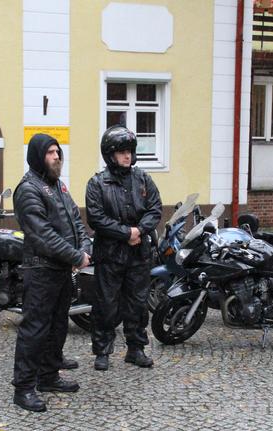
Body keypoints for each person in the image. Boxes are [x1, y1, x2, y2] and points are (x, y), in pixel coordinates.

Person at [11, 133, 91, 412]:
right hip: (41, 270)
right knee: (34, 330)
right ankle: (23, 388)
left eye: (58, 152)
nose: (57, 157)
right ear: (37, 156)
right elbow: (42, 235)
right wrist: (76, 256)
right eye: (50, 153)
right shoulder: (28, 189)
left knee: (58, 326)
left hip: (61, 270)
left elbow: (76, 221)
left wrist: (84, 246)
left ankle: (48, 376)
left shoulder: (58, 186)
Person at [86, 125, 162, 371]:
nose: (127, 156)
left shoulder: (143, 179)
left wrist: (138, 231)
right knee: (106, 304)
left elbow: (155, 209)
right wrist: (125, 233)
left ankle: (136, 348)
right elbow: (96, 218)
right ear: (110, 155)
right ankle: (102, 350)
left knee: (137, 303)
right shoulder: (97, 183)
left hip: (139, 253)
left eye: (129, 151)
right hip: (110, 255)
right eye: (121, 152)